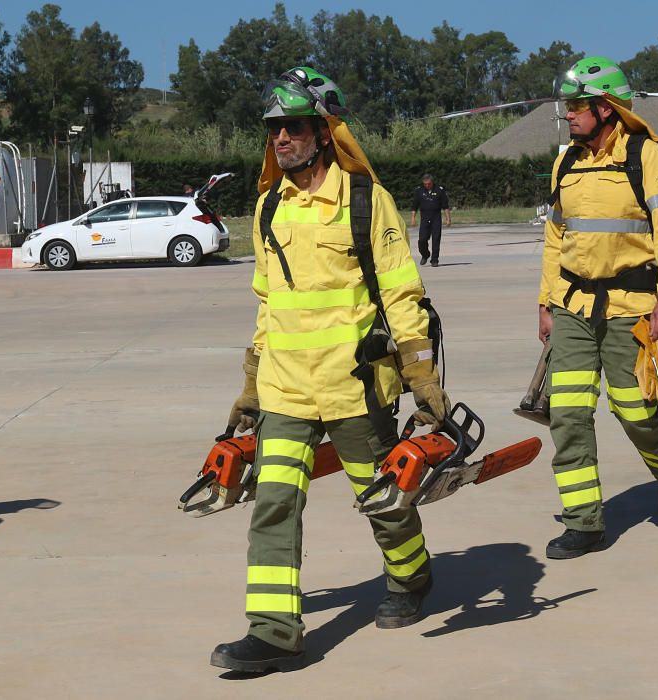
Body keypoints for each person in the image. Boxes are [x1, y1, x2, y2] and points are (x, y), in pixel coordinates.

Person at [211, 66, 450, 674]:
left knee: (382, 500)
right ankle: (274, 634)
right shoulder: (268, 208)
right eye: (273, 130)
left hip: (353, 389)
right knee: (273, 503)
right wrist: (249, 386)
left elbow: (402, 296)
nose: (280, 139)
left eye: (292, 127)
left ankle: (412, 576)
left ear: (324, 130)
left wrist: (422, 378)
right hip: (285, 389)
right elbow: (268, 307)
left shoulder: (367, 200)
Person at [537, 56, 658, 560]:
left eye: (577, 105)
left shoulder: (645, 156)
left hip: (632, 307)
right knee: (568, 413)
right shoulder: (567, 161)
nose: (569, 114)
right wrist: (545, 301)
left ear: (605, 108)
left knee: (634, 409)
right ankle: (584, 523)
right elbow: (555, 237)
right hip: (573, 307)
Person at [410, 174, 451, 266]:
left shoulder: (439, 190)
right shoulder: (419, 191)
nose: (427, 185)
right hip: (424, 218)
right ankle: (425, 254)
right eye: (425, 184)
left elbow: (445, 206)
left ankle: (435, 260)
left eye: (429, 184)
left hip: (436, 218)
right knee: (422, 240)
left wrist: (448, 218)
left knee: (436, 239)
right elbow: (414, 206)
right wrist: (413, 218)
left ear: (432, 182)